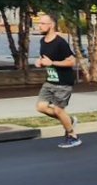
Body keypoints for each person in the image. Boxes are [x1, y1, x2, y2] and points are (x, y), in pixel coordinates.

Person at [34, 12, 81, 148]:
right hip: (50, 81)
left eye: (43, 23)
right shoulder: (42, 41)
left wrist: (52, 63)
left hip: (63, 82)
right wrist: (40, 62)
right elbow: (45, 58)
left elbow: (72, 62)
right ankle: (69, 120)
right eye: (39, 23)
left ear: (52, 25)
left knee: (59, 110)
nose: (40, 26)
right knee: (41, 107)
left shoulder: (60, 42)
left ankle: (73, 136)